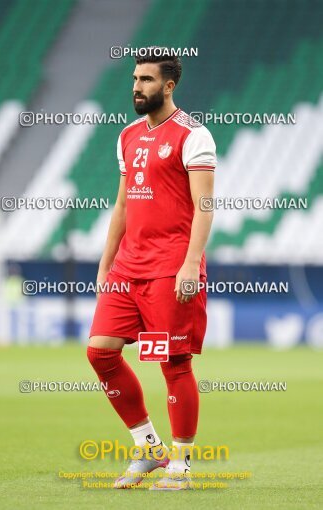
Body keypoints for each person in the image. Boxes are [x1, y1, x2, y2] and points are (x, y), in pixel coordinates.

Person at [87, 47, 216, 490]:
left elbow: (205, 206)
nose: (136, 87)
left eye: (145, 80)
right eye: (135, 79)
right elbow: (122, 204)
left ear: (169, 84)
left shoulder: (193, 135)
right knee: (100, 352)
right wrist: (106, 265)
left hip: (169, 268)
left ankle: (180, 462)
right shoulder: (127, 135)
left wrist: (190, 264)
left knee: (172, 363)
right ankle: (148, 448)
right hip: (128, 267)